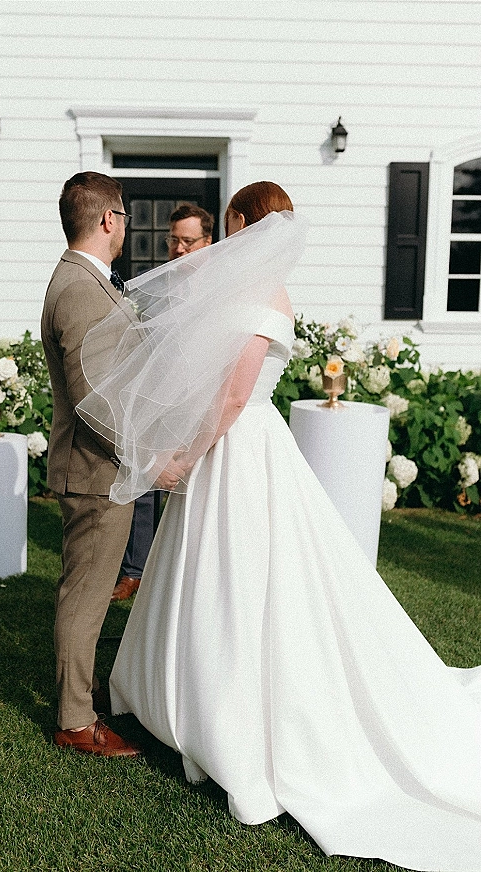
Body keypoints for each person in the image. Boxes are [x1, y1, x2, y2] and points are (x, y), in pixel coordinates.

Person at [77, 181, 481, 869]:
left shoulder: (256, 295)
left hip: (238, 446)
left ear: (239, 222)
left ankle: (222, 716)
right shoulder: (268, 291)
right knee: (226, 570)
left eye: (229, 224)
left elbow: (233, 397)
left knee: (240, 572)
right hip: (251, 442)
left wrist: (184, 455)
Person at [41, 171, 186, 756]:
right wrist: (149, 460)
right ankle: (75, 719)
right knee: (87, 592)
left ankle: (81, 694)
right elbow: (91, 398)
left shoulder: (90, 282)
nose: (125, 225)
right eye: (124, 216)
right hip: (95, 471)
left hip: (104, 467)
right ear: (108, 219)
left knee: (90, 588)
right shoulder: (77, 287)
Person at [110, 202, 215, 603]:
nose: (179, 249)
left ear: (208, 242)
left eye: (188, 241)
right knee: (145, 481)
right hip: (157, 397)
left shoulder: (218, 287)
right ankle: (135, 571)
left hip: (199, 403)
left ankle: (181, 570)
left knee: (193, 488)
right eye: (174, 240)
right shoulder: (159, 283)